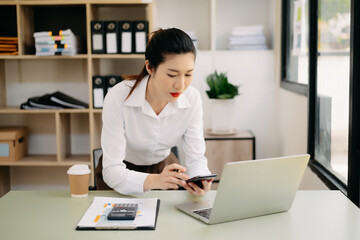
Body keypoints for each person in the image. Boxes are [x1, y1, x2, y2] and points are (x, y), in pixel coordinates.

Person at [101, 28, 212, 196]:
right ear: (150, 68)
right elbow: (112, 171)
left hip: (164, 168)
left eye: (188, 74)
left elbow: (196, 157)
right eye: (172, 74)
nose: (181, 85)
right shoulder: (118, 97)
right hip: (120, 174)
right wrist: (154, 180)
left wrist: (200, 178)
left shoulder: (192, 98)